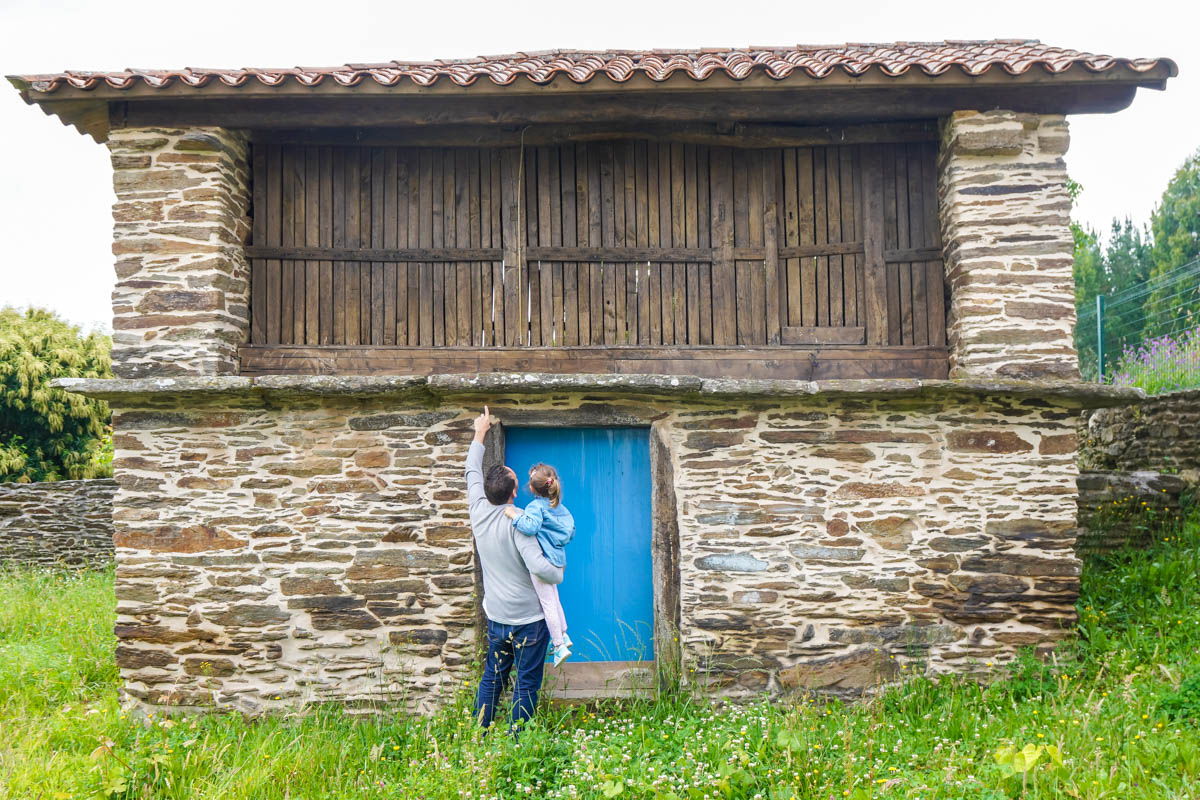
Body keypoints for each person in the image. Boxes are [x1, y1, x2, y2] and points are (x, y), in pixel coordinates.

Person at [465, 407, 564, 731]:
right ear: (511, 493)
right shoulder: (520, 524)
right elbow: (541, 568)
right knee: (525, 683)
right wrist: (558, 572)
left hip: (497, 616)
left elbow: (471, 472)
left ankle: (480, 731)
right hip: (528, 622)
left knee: (493, 675)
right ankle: (518, 738)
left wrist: (480, 431)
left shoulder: (478, 510)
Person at [504, 463, 575, 665]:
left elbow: (530, 527)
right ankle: (564, 633)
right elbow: (571, 532)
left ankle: (559, 645)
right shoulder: (559, 508)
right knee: (554, 598)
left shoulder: (535, 507)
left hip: (544, 561)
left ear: (533, 488)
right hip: (558, 561)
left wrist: (514, 515)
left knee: (547, 604)